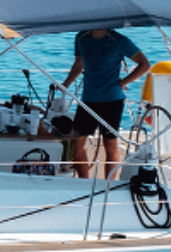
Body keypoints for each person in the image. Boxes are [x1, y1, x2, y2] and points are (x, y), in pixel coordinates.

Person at [54, 28, 152, 179]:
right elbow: (79, 64)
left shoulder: (119, 40)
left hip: (112, 100)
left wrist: (123, 82)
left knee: (110, 145)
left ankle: (108, 186)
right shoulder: (81, 37)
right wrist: (65, 85)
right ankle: (84, 184)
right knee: (77, 144)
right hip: (88, 99)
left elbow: (144, 64)